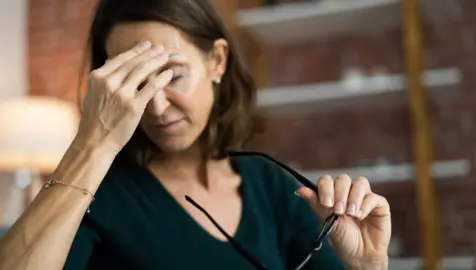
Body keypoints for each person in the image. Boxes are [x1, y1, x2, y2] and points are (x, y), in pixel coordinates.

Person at [0, 0, 391, 269]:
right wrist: (92, 144)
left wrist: (369, 266)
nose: (155, 106)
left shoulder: (271, 187)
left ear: (216, 61)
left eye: (172, 74)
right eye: (136, 83)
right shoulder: (101, 195)